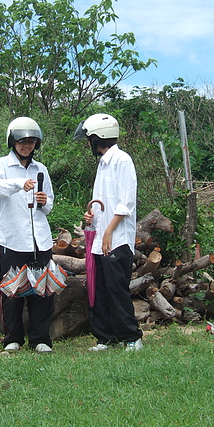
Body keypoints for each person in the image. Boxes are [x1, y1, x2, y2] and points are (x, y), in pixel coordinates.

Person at [75, 113, 143, 351]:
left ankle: (132, 337)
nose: (88, 143)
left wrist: (109, 231)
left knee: (117, 289)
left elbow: (126, 203)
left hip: (117, 239)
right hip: (101, 237)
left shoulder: (121, 160)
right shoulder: (103, 164)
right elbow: (103, 202)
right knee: (100, 289)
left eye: (88, 139)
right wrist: (91, 218)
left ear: (98, 137)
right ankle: (105, 337)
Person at [0, 117, 55, 353]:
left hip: (40, 239)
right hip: (12, 239)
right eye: (21, 141)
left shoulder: (41, 169)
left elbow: (49, 203)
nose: (26, 146)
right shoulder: (1, 165)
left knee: (42, 291)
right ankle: (12, 338)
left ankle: (40, 339)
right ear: (12, 141)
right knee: (11, 290)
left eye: (31, 141)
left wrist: (43, 201)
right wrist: (20, 183)